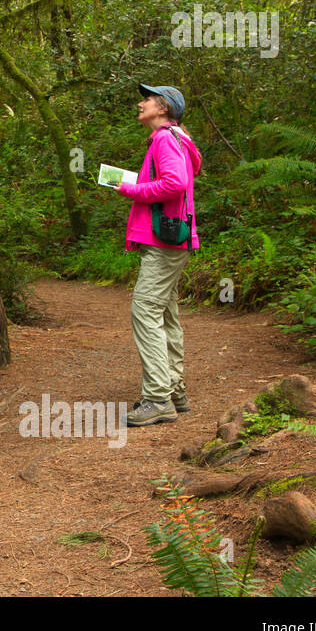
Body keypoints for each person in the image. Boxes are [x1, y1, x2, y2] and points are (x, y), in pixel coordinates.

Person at [114, 84, 203, 427]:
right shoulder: (176, 138)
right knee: (166, 312)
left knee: (145, 309)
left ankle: (157, 398)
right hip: (170, 238)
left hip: (163, 241)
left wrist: (130, 189)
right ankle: (175, 390)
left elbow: (175, 183)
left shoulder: (166, 138)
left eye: (147, 100)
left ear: (163, 108)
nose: (141, 103)